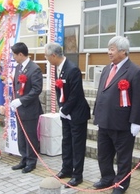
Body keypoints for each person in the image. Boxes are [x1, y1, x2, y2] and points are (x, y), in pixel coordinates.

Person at [92, 36, 140, 194]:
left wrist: (136, 122)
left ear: (123, 51)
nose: (109, 52)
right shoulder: (107, 69)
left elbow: (139, 98)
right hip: (104, 120)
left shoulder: (135, 71)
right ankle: (107, 177)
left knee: (123, 157)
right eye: (108, 49)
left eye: (112, 49)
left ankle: (121, 183)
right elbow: (101, 92)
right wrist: (96, 112)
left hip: (122, 122)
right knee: (103, 153)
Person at [44, 43, 90, 188]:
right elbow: (61, 92)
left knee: (77, 145)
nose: (46, 59)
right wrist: (62, 108)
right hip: (66, 112)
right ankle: (66, 169)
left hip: (77, 114)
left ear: (54, 55)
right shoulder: (59, 68)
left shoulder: (73, 69)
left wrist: (64, 110)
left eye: (46, 56)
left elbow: (76, 94)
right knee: (66, 142)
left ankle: (77, 175)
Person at [10, 42, 43, 173]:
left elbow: (36, 90)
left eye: (14, 55)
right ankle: (23, 158)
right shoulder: (18, 68)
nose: (13, 57)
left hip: (29, 109)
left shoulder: (34, 69)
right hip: (19, 109)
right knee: (21, 136)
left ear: (21, 54)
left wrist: (21, 101)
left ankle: (31, 161)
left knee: (30, 136)